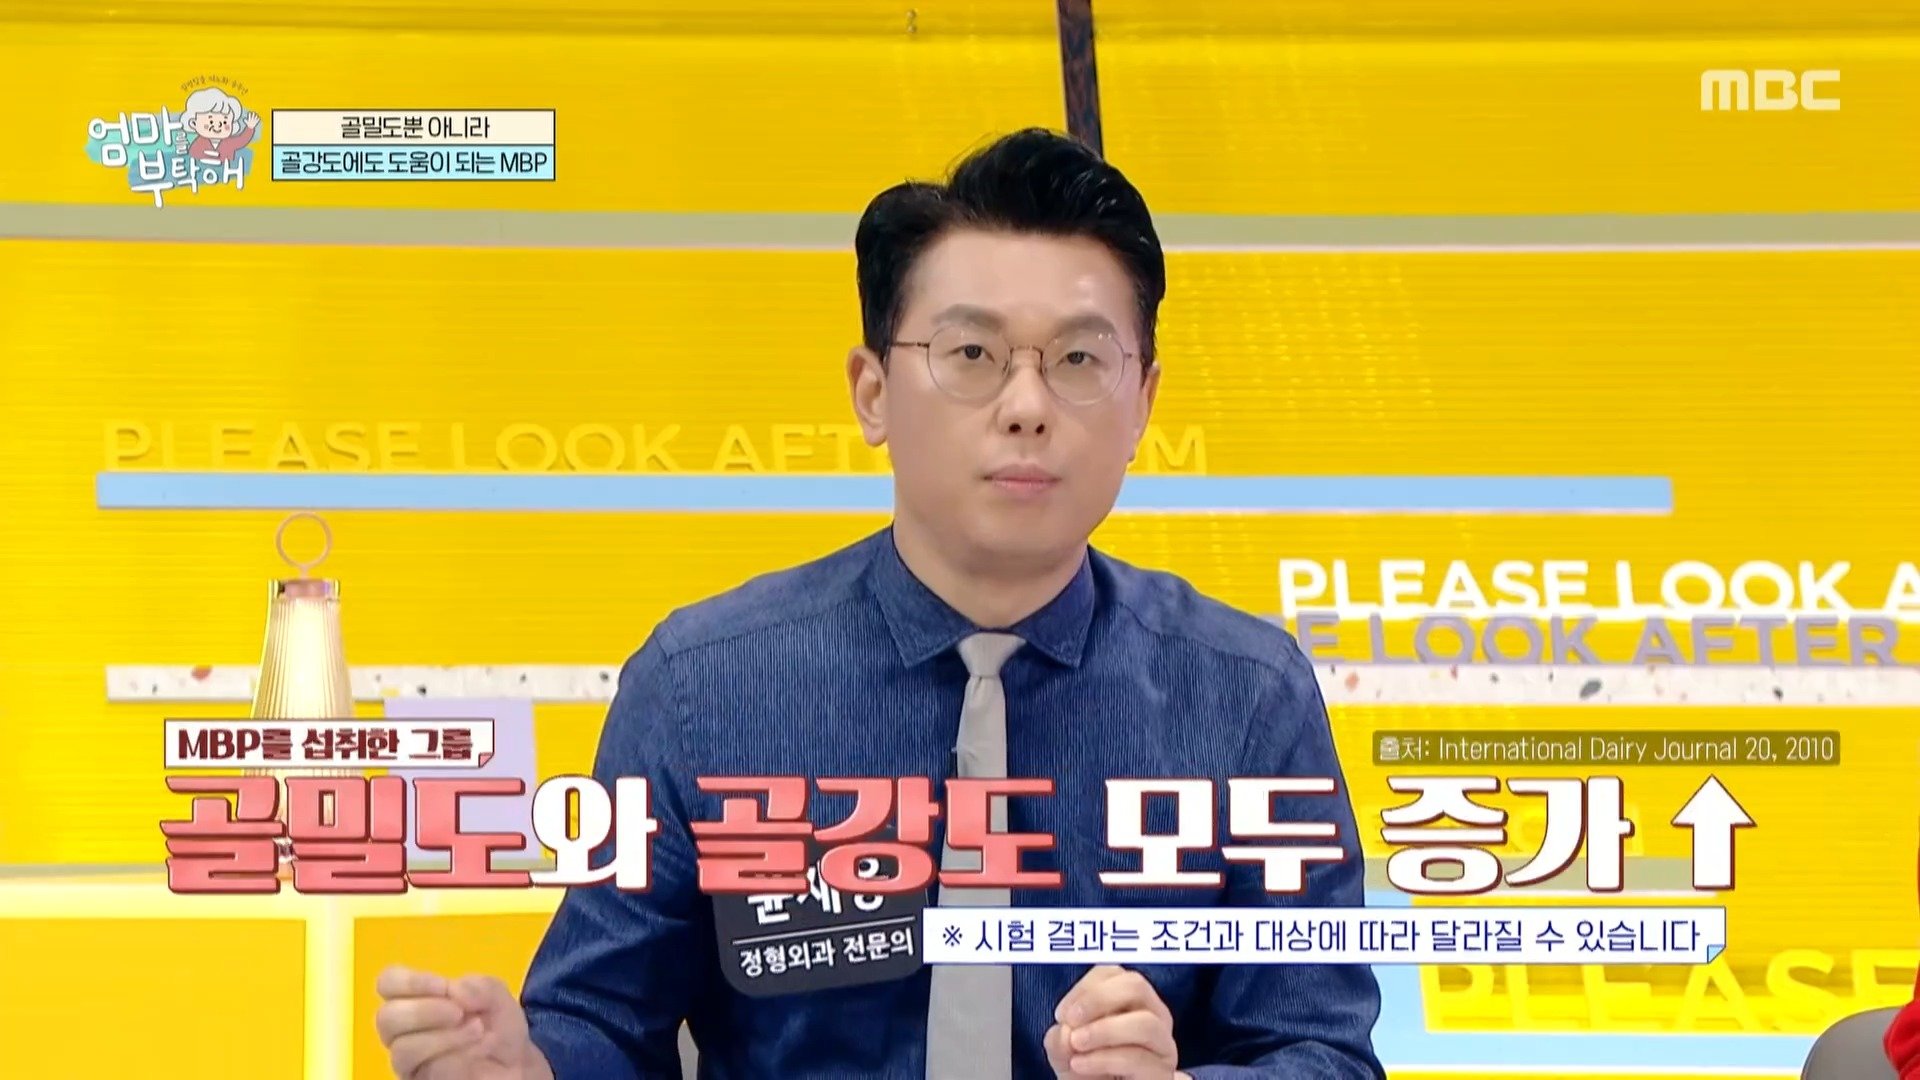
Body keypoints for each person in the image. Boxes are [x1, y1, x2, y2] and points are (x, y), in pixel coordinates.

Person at [374, 127, 1384, 1079]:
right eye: (972, 355)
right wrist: (528, 1065)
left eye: (1079, 360)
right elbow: (601, 1016)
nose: (1027, 406)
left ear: (1144, 403)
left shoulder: (1245, 698)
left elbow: (1321, 1048)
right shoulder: (704, 686)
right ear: (871, 392)